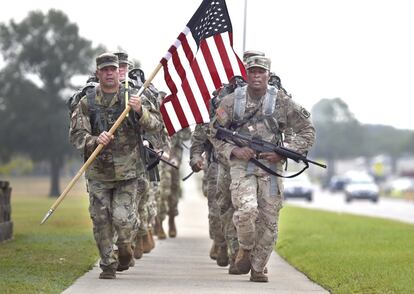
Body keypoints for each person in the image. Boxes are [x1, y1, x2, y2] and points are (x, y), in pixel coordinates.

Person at [212, 56, 315, 282]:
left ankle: (258, 267)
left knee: (269, 219)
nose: (256, 76)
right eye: (252, 72)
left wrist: (283, 151)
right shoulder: (230, 102)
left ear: (269, 75)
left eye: (261, 72)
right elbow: (214, 133)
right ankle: (246, 249)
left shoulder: (283, 102)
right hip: (242, 165)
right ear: (246, 74)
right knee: (247, 210)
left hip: (270, 166)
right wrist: (234, 151)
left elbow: (307, 130)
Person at [69, 52, 163, 279]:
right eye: (105, 70)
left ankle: (125, 245)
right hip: (99, 173)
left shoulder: (134, 97)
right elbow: (76, 136)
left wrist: (140, 111)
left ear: (119, 72)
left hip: (129, 172)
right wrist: (94, 140)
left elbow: (157, 126)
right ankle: (108, 264)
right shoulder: (87, 102)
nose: (110, 73)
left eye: (113, 69)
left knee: (124, 218)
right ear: (98, 73)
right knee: (101, 219)